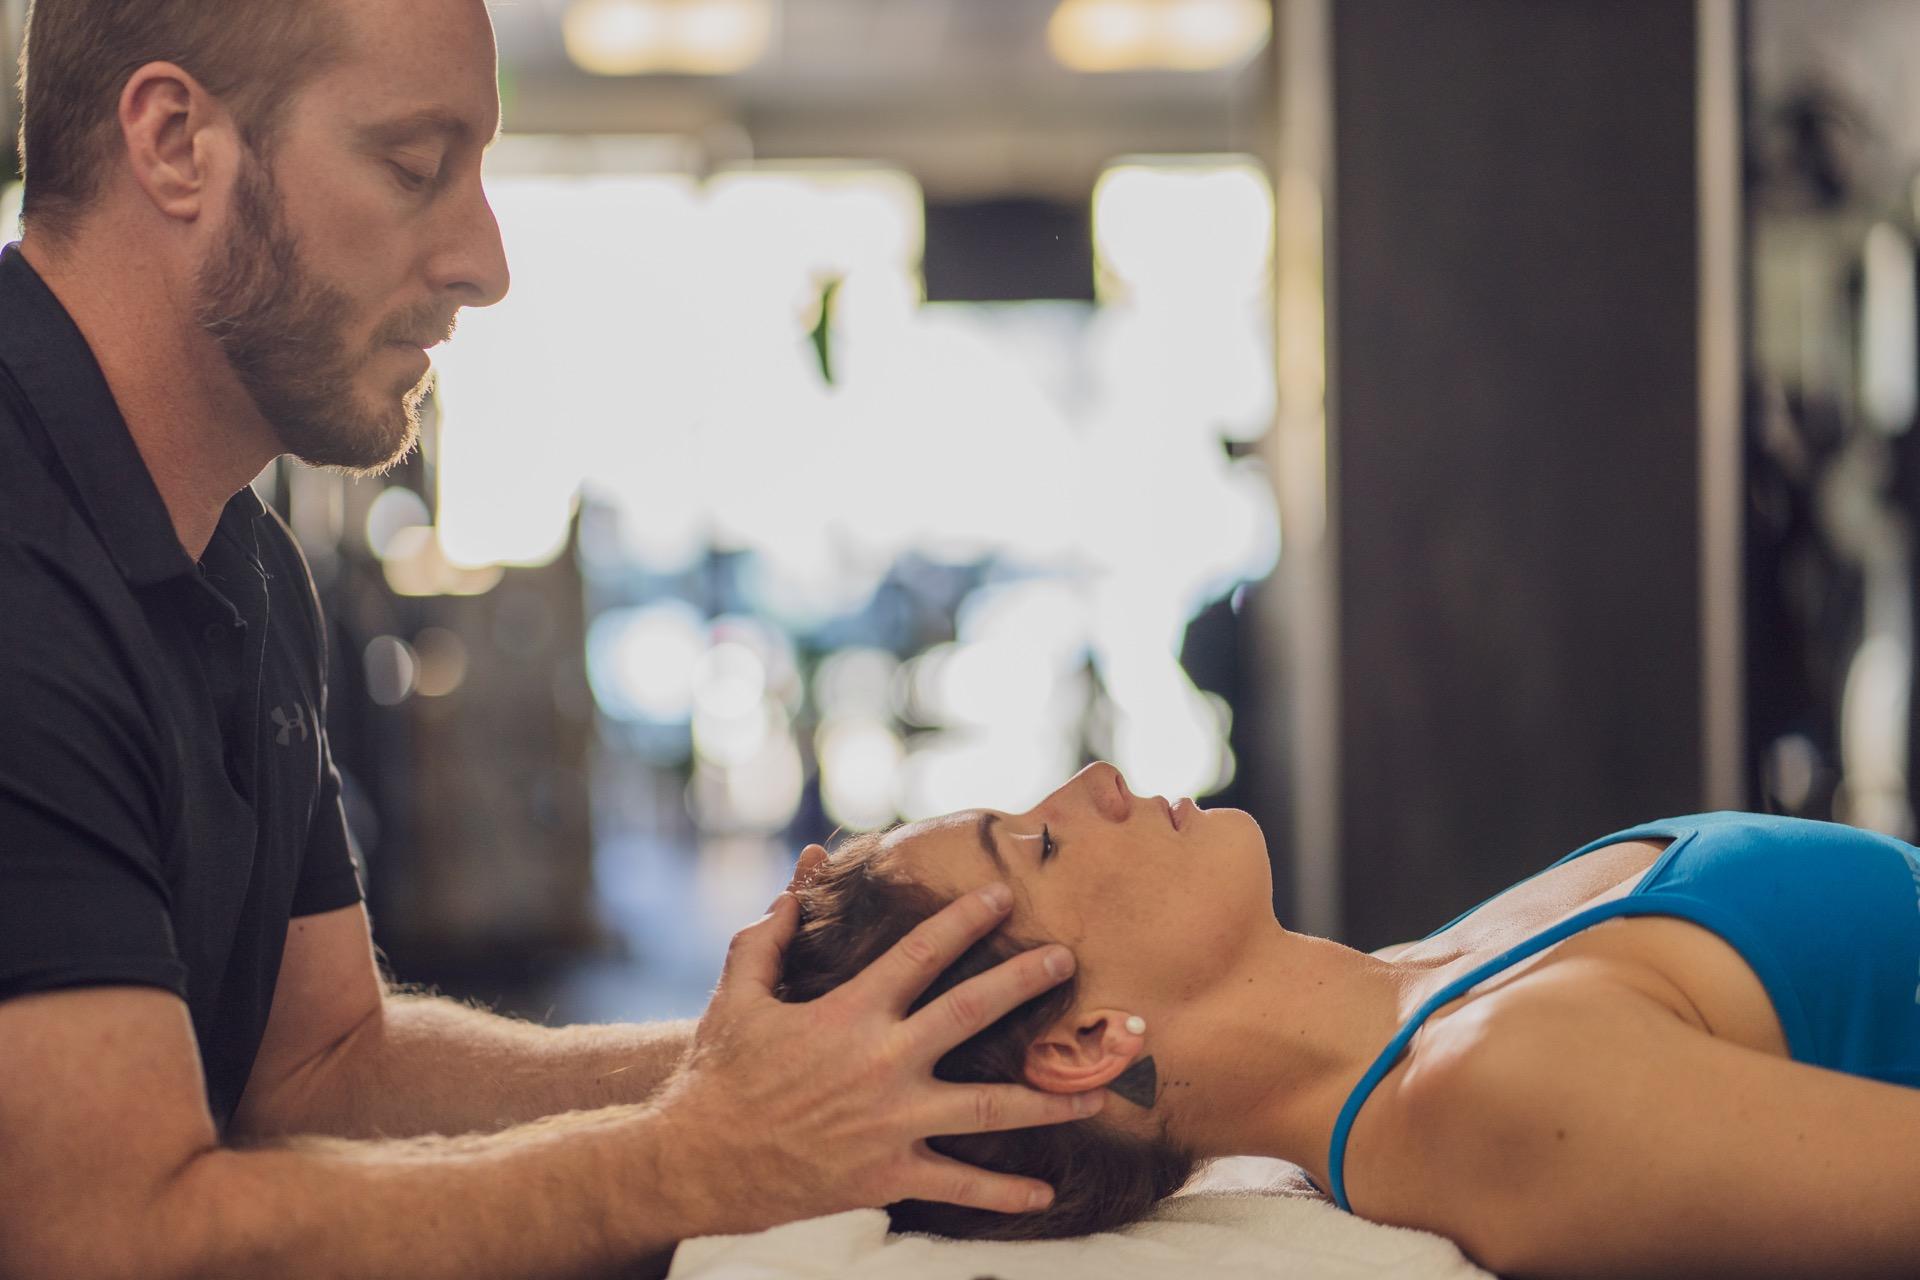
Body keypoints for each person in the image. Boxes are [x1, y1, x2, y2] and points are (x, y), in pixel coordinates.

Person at [0, 2, 1107, 1277]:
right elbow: (105, 1234)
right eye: (414, 167)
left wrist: (798, 1064)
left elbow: (317, 1072)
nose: (484, 262)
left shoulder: (245, 565)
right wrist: (693, 1156)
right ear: (174, 141)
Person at [779, 761, 1920, 1274]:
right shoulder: (1501, 1091)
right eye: (1037, 842)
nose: (1098, 780)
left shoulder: (1420, 979)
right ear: (1086, 1042)